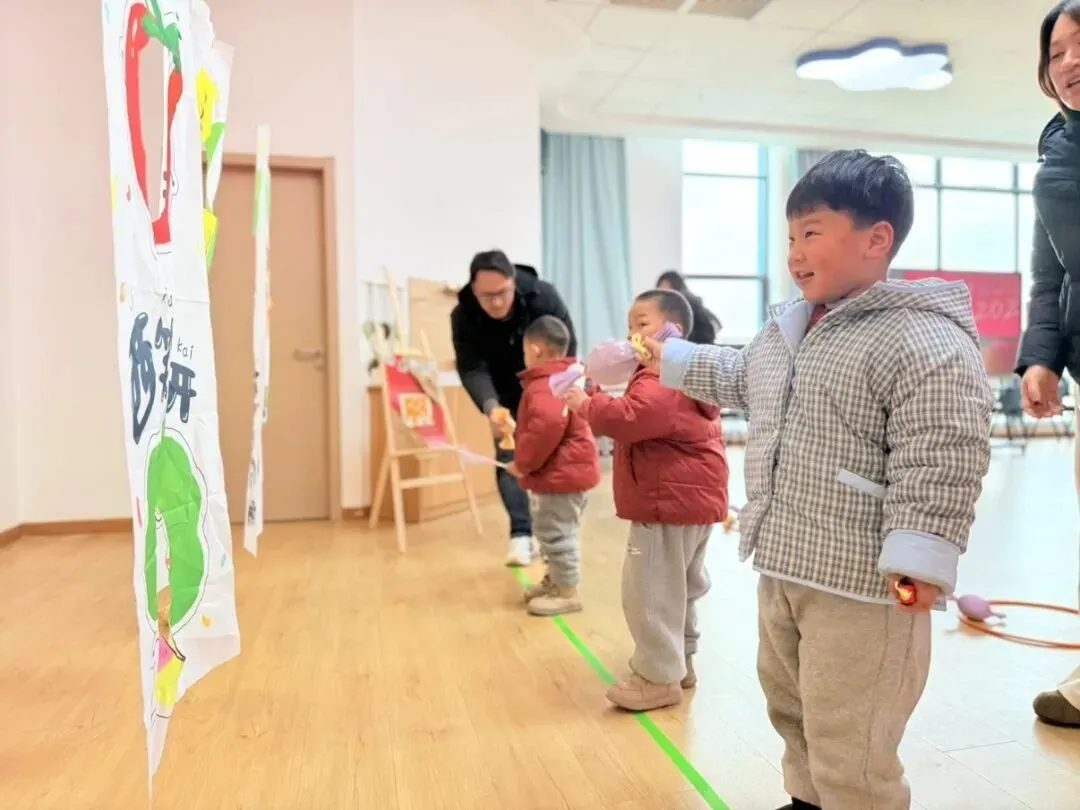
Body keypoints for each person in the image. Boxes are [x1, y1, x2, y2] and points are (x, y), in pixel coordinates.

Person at [644, 150, 993, 810]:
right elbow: (737, 377)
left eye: (811, 233)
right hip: (787, 561)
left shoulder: (921, 338)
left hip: (864, 582)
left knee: (850, 732)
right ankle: (808, 802)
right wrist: (673, 358)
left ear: (876, 239)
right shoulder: (790, 330)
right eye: (790, 238)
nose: (795, 253)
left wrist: (920, 557)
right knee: (794, 707)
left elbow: (941, 453)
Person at [563, 289, 728, 712]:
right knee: (681, 587)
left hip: (664, 500)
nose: (632, 335)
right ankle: (680, 662)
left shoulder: (661, 377)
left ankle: (657, 678)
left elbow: (632, 418)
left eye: (642, 324)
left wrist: (586, 404)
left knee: (650, 590)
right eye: (629, 326)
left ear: (675, 330)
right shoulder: (689, 374)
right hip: (693, 501)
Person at [1014, 0, 1080, 730]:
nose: (1069, 61)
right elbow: (1049, 270)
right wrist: (1042, 358)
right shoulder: (1057, 146)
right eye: (1056, 51)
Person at [451, 250, 577, 567]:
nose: (496, 302)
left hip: (549, 387)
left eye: (502, 292)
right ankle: (521, 533)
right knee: (509, 459)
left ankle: (557, 535)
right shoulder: (463, 315)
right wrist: (491, 406)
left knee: (555, 459)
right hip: (502, 394)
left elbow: (567, 348)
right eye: (487, 296)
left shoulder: (543, 296)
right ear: (474, 290)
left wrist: (555, 395)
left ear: (513, 282)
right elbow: (471, 367)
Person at [507, 315, 601, 616]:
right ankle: (556, 582)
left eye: (525, 351)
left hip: (560, 475)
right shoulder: (569, 376)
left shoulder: (546, 385)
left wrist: (523, 463)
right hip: (568, 472)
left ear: (535, 350)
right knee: (553, 531)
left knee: (557, 534)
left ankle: (566, 591)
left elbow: (546, 426)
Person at [655, 270, 722, 344]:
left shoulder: (691, 308)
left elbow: (716, 325)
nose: (664, 294)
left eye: (667, 289)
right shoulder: (666, 310)